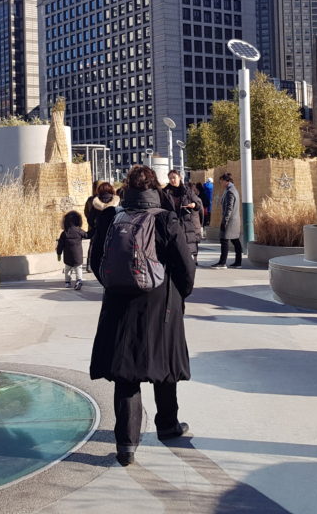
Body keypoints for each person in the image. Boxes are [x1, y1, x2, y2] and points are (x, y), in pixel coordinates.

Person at [90, 165, 195, 467]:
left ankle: (126, 445)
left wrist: (116, 282)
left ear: (127, 189)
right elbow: (185, 267)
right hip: (162, 303)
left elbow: (96, 261)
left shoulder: (112, 218)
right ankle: (167, 424)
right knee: (164, 366)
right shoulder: (166, 219)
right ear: (156, 187)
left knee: (125, 374)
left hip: (119, 305)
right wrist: (180, 294)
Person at [161, 170, 202, 261]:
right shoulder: (165, 192)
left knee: (187, 251)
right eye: (170, 178)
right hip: (172, 223)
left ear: (179, 178)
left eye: (174, 177)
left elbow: (198, 203)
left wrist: (194, 205)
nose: (172, 180)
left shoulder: (187, 191)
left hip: (187, 224)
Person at [214, 172, 243, 268]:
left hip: (230, 220)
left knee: (224, 240)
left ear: (227, 181)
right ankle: (238, 262)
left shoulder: (230, 191)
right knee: (235, 241)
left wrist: (224, 221)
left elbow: (229, 208)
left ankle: (222, 262)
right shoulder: (232, 189)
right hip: (234, 220)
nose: (220, 183)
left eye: (221, 181)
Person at [57, 210, 88, 290]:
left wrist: (59, 253)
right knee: (79, 269)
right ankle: (79, 280)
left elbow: (60, 245)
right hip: (78, 256)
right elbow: (87, 235)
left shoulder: (64, 233)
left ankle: (67, 282)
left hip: (68, 257)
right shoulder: (79, 231)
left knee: (67, 270)